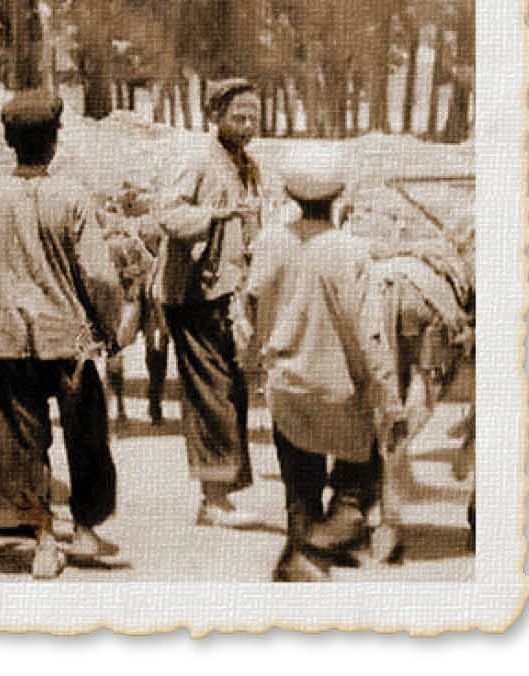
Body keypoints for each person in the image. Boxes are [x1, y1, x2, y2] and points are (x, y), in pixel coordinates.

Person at [0, 88, 124, 579]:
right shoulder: (72, 196)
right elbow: (99, 276)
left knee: (20, 448)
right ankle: (86, 528)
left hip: (9, 339)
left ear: (11, 143)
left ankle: (43, 540)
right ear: (53, 141)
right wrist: (109, 326)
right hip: (68, 338)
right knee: (86, 436)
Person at [244, 142, 402, 581]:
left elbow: (248, 309)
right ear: (339, 195)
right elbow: (370, 335)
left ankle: (300, 558)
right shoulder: (351, 251)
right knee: (358, 484)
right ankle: (330, 535)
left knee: (300, 489)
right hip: (342, 393)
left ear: (289, 193)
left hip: (287, 388)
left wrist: (258, 358)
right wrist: (388, 396)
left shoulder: (269, 242)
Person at [156, 75, 266, 526]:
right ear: (215, 116)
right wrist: (216, 216)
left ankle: (221, 493)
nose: (247, 126)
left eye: (253, 118)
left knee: (232, 391)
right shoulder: (197, 159)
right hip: (193, 295)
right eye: (239, 117)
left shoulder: (247, 164)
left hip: (228, 295)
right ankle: (214, 500)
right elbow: (168, 213)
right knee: (211, 393)